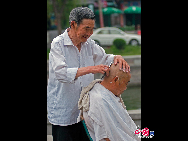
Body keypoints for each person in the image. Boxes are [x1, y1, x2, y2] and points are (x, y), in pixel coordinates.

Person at [47, 7, 130, 141]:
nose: (90, 33)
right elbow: (61, 74)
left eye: (92, 29)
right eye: (86, 28)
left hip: (85, 114)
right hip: (64, 113)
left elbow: (105, 58)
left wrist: (116, 57)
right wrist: (91, 69)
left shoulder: (89, 44)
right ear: (73, 24)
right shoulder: (58, 44)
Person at [78, 62, 140, 141]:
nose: (125, 88)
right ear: (116, 80)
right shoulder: (99, 101)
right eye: (126, 83)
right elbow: (108, 136)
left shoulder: (103, 93)